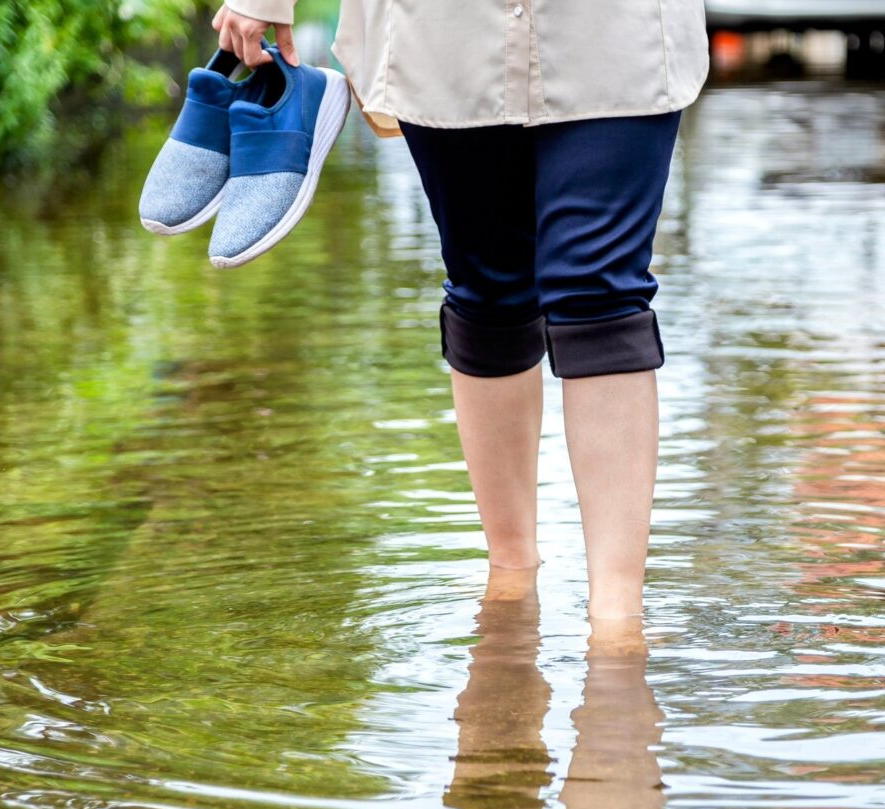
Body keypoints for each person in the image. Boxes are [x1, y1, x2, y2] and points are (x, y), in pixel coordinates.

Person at [210, 0, 709, 619]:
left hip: (612, 30)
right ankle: (510, 575)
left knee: (600, 291)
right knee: (486, 287)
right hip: (444, 30)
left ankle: (618, 618)